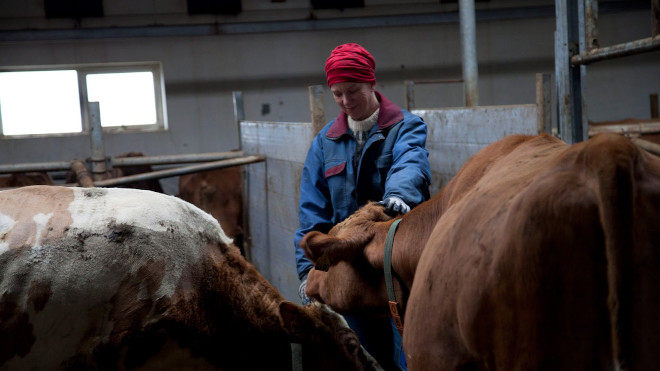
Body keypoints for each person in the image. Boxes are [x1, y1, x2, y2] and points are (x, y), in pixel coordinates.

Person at [293, 43, 431, 371]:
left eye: (352, 91)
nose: (345, 102)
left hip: (395, 257)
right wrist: (309, 273)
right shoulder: (324, 143)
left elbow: (411, 161)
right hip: (344, 256)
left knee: (409, 352)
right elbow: (312, 211)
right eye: (337, 94)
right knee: (362, 357)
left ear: (371, 84)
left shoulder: (405, 126)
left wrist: (400, 195)